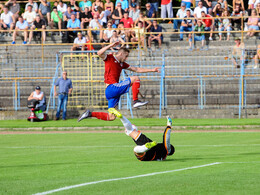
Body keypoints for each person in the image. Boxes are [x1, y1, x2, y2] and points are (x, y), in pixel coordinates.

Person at [78, 42, 160, 122]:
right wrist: (110, 45)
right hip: (112, 88)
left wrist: (152, 70)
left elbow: (136, 69)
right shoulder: (110, 58)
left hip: (111, 93)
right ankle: (135, 101)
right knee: (135, 78)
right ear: (121, 54)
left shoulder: (122, 64)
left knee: (111, 117)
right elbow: (99, 53)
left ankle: (89, 114)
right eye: (126, 56)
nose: (126, 58)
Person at [81, 111, 175, 161]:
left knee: (132, 134)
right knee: (136, 150)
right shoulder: (164, 155)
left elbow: (167, 137)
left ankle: (121, 117)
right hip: (149, 156)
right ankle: (144, 147)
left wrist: (169, 124)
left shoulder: (166, 149)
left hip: (151, 145)